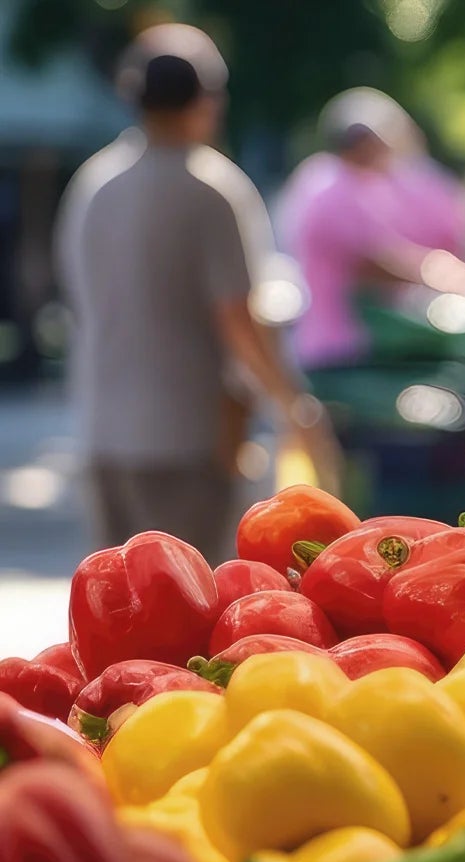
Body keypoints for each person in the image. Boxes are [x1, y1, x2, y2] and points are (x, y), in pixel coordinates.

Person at [56, 24, 328, 559]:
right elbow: (238, 320)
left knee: (118, 615)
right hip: (188, 440)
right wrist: (293, 406)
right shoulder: (211, 188)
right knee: (189, 619)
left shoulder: (92, 184)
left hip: (102, 432)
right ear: (207, 99)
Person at [279, 89, 465, 373]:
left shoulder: (350, 185)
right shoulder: (328, 188)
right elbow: (373, 261)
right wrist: (461, 279)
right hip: (336, 350)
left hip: (349, 345)